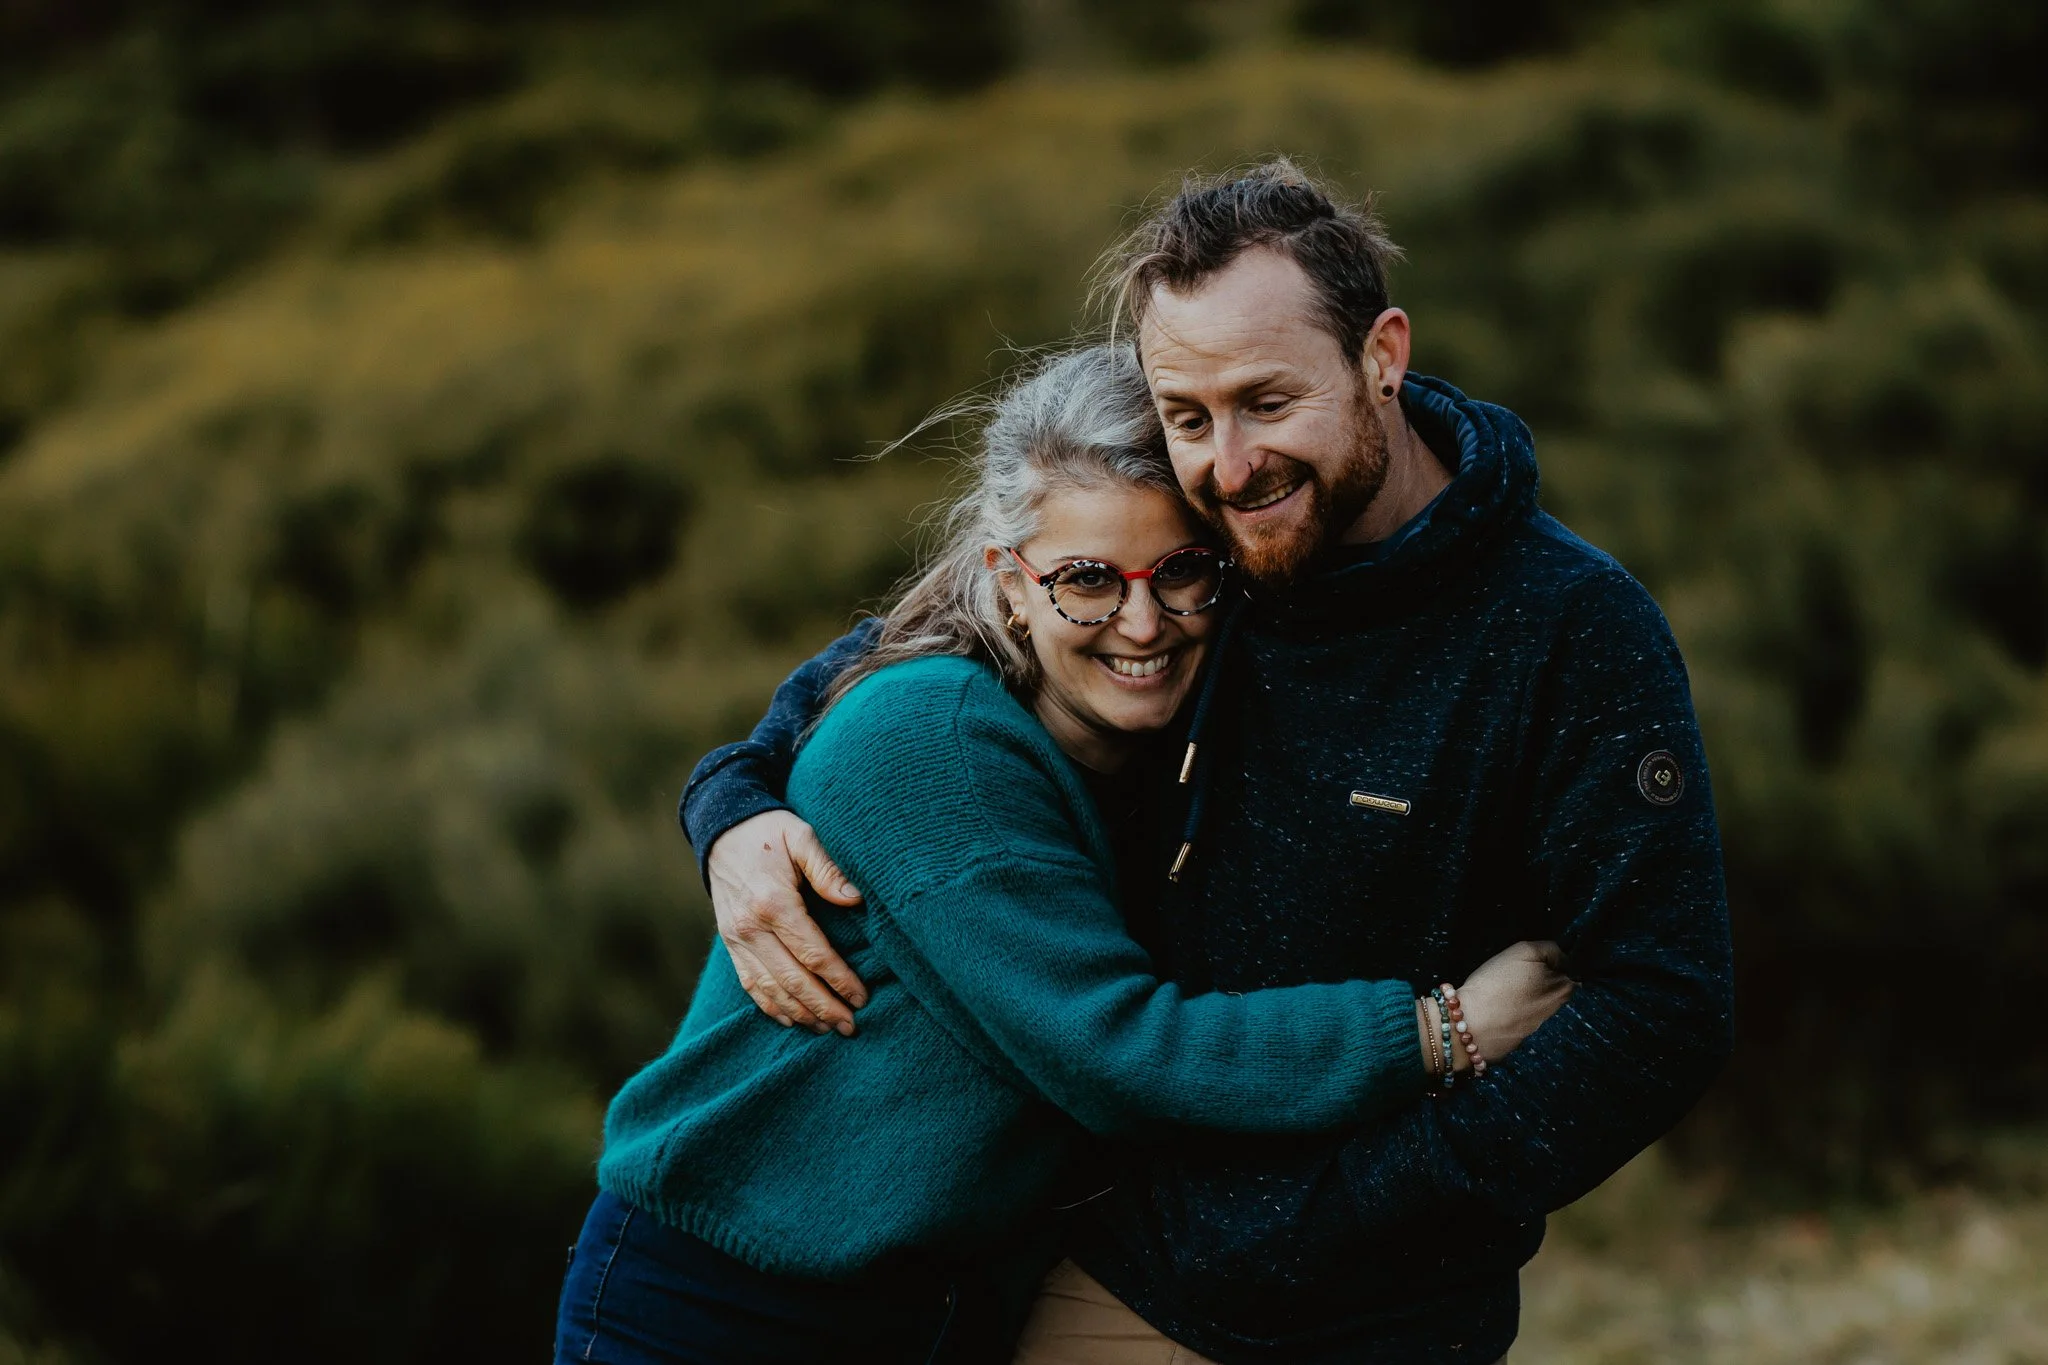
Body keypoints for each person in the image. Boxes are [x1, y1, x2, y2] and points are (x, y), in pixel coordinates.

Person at [682, 160, 1735, 1364]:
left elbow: (1662, 1009)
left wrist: (1369, 1207)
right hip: (1120, 1279)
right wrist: (735, 801)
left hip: (1394, 1300)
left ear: (1379, 356)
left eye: (1266, 403)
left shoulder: (1569, 627)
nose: (1227, 465)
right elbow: (918, 639)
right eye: (1188, 418)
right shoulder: (1201, 551)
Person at [557, 346, 1574, 1365]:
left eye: (1181, 570)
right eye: (1087, 580)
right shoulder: (931, 738)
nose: (1141, 623)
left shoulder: (1168, 737)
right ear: (1007, 581)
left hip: (943, 1316)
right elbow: (1117, 1054)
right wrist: (1441, 1031)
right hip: (723, 1311)